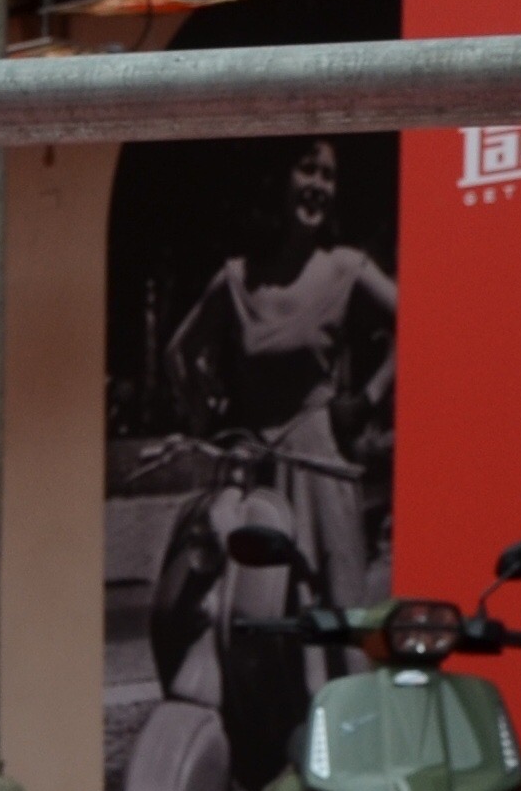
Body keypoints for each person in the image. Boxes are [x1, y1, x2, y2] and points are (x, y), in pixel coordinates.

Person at [166, 135, 399, 609]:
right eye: (307, 169)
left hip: (321, 466)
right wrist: (205, 418)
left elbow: (419, 323)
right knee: (250, 614)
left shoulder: (345, 267)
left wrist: (368, 399)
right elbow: (178, 352)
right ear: (278, 181)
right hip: (253, 471)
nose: (318, 185)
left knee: (334, 611)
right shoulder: (237, 279)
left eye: (328, 175)